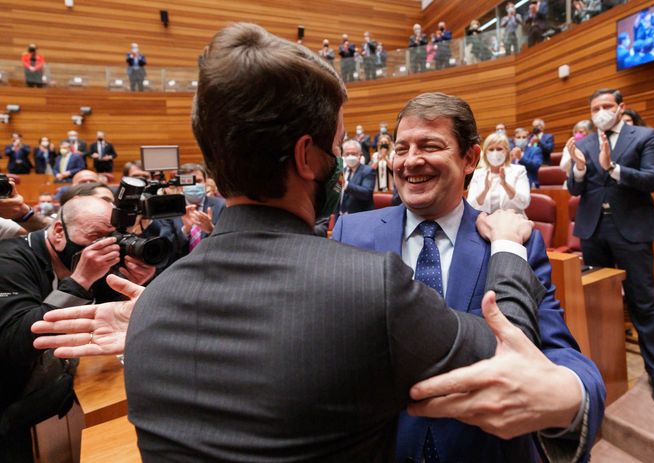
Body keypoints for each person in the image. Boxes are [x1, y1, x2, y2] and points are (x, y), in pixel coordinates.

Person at [31, 24, 545, 462]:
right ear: (307, 158)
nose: (343, 165)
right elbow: (511, 354)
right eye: (336, 147)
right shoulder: (372, 284)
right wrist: (506, 247)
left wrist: (155, 312)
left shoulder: (153, 306)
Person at [333, 92, 604, 463]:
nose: (411, 161)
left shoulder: (514, 242)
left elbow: (557, 352)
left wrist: (572, 396)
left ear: (470, 158)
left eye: (430, 146)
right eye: (401, 148)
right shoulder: (350, 233)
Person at [0, 196, 155, 462]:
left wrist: (130, 287)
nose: (106, 247)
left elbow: (103, 320)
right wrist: (81, 280)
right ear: (59, 232)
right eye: (96, 237)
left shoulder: (96, 260)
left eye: (112, 237)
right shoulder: (8, 260)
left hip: (55, 393)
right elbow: (14, 343)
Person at [566, 88, 654, 408]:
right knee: (598, 303)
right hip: (594, 229)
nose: (601, 110)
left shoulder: (644, 136)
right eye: (595, 107)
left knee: (643, 301)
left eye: (607, 106)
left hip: (632, 229)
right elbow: (575, 188)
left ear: (620, 107)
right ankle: (601, 372)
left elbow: (652, 179)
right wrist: (580, 168)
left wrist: (612, 167)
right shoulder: (584, 142)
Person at [158, 163, 225, 263]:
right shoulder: (169, 209)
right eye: (188, 182)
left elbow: (230, 243)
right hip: (180, 267)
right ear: (180, 186)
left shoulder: (222, 205)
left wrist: (211, 230)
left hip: (214, 264)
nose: (194, 185)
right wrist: (185, 230)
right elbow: (166, 249)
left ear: (206, 182)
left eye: (198, 181)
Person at [468, 132, 531, 215]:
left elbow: (524, 203)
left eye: (499, 149)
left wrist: (505, 185)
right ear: (485, 153)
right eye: (491, 149)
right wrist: (485, 190)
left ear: (506, 152)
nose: (495, 153)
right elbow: (471, 206)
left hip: (512, 223)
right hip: (484, 223)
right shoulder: (477, 174)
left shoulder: (519, 171)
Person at [340, 140, 376, 214]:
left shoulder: (368, 171)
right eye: (347, 154)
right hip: (340, 216)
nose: (350, 156)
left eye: (353, 154)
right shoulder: (342, 171)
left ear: (360, 155)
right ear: (343, 155)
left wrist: (345, 184)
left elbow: (366, 193)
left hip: (360, 216)